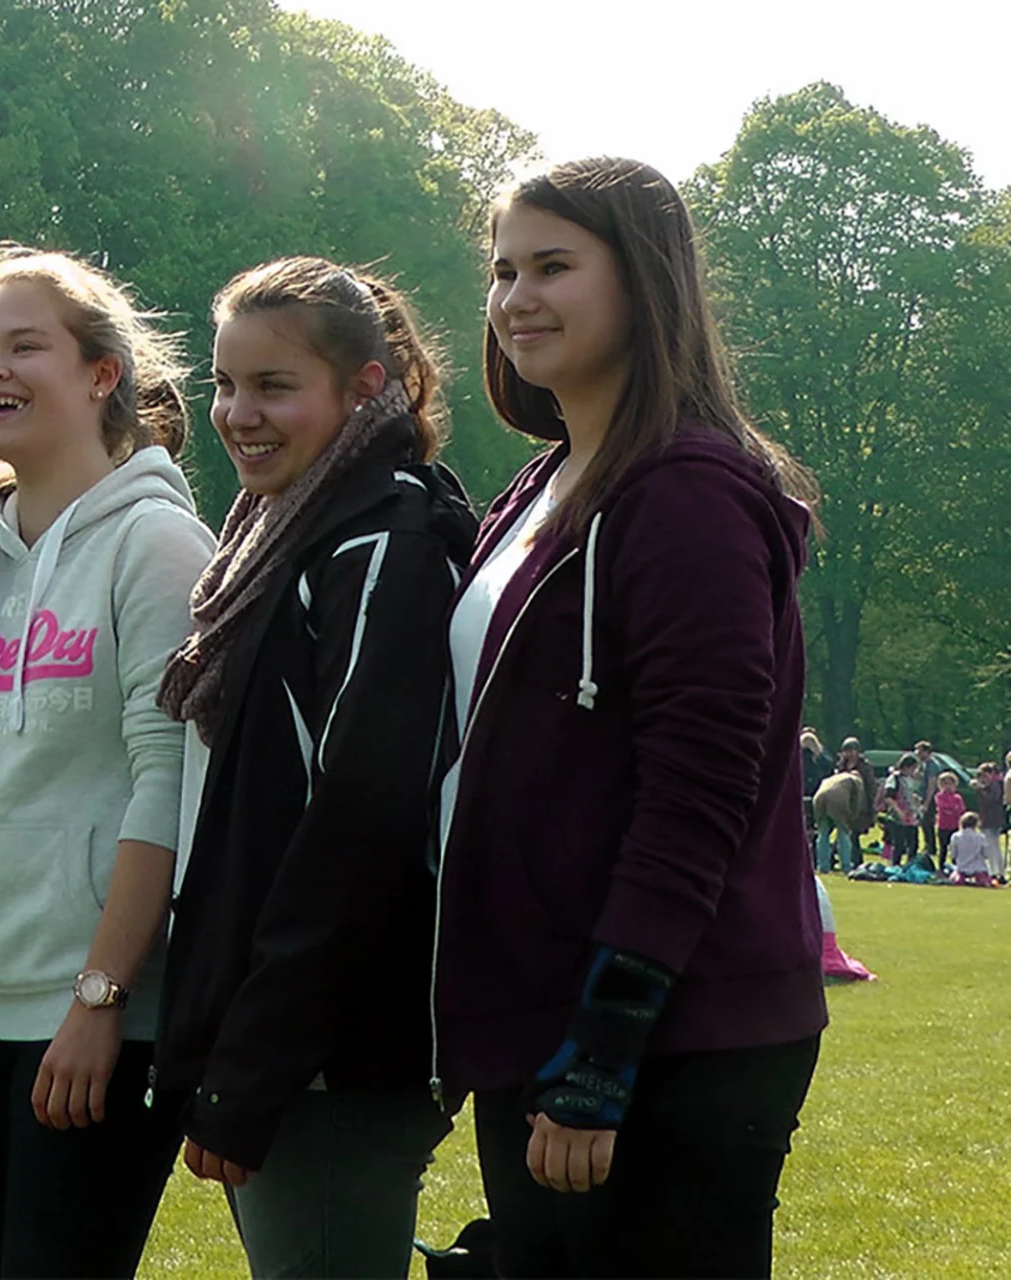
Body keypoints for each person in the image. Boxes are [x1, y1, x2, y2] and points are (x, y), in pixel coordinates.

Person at [434, 157, 827, 1279]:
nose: (516, 298)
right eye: (503, 271)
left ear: (645, 280)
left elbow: (699, 792)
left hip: (669, 1033)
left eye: (554, 266)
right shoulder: (543, 484)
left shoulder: (689, 492)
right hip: (537, 1008)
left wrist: (605, 1046)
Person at [0, 246, 215, 1279]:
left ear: (103, 373)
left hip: (91, 1020)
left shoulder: (158, 545)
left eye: (24, 347)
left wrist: (103, 1000)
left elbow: (166, 782)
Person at [151, 258, 476, 1279]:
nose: (238, 414)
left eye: (274, 386)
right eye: (224, 383)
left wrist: (254, 1064)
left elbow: (358, 833)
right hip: (295, 1044)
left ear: (365, 387)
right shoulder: (289, 530)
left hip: (334, 1055)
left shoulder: (386, 544)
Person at [812, 766, 864, 874]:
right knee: (843, 833)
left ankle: (823, 866)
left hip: (818, 797)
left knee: (823, 833)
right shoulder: (856, 780)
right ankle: (846, 866)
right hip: (837, 798)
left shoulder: (833, 778)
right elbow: (857, 801)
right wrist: (852, 817)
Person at [880, 757, 923, 867]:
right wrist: (899, 811)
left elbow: (908, 794)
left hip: (911, 817)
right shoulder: (894, 779)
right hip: (896, 817)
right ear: (906, 767)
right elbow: (888, 797)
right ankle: (895, 865)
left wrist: (916, 800)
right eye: (913, 768)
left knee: (913, 844)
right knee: (899, 844)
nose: (915, 771)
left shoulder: (910, 780)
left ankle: (911, 866)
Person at [975, 761, 1006, 882]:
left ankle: (996, 872)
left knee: (993, 846)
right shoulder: (990, 786)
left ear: (991, 774)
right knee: (991, 846)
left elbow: (991, 800)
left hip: (992, 820)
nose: (983, 779)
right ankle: (995, 870)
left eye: (985, 775)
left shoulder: (995, 786)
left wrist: (979, 790)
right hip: (988, 820)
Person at [948, 812, 995, 887]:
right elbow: (986, 854)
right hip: (979, 868)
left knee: (955, 879)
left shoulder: (956, 837)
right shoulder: (980, 837)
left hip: (962, 868)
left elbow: (953, 854)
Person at [932, 770, 966, 871]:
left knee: (955, 847)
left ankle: (956, 865)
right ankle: (941, 866)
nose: (948, 786)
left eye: (950, 784)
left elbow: (961, 810)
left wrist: (953, 810)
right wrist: (952, 809)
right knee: (943, 847)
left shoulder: (957, 797)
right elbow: (942, 807)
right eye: (945, 784)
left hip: (955, 825)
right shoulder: (939, 796)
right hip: (943, 825)